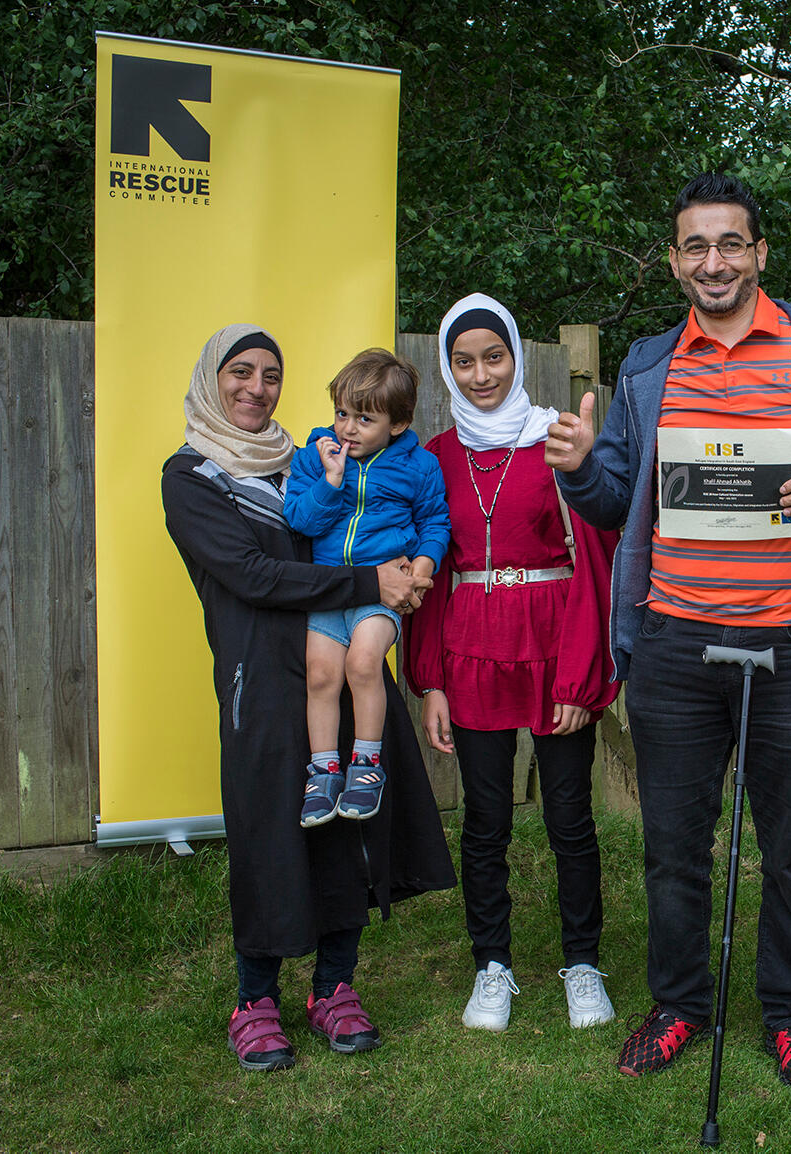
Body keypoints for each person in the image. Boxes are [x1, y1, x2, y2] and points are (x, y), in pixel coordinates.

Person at [545, 174, 791, 1089]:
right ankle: (678, 1008)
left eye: (730, 244)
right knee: (673, 844)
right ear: (674, 261)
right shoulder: (645, 367)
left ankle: (790, 1017)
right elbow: (611, 504)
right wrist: (584, 467)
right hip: (671, 643)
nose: (714, 262)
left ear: (759, 253)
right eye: (695, 247)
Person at [162, 323, 456, 1073]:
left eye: (270, 375)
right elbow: (254, 576)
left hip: (347, 668)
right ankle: (254, 999)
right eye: (240, 373)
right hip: (260, 680)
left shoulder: (316, 457)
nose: (256, 388)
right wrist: (374, 582)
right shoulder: (191, 477)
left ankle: (333, 987)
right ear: (211, 380)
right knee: (267, 833)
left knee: (345, 830)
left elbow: (388, 537)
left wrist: (406, 577)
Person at [403, 293, 621, 1033]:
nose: (480, 374)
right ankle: (491, 966)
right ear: (446, 367)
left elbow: (595, 566)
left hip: (553, 646)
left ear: (516, 358)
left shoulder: (557, 443)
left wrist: (580, 678)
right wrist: (428, 679)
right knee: (486, 820)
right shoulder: (433, 457)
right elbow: (429, 575)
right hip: (471, 651)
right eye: (463, 362)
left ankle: (582, 965)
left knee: (569, 818)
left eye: (492, 357)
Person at [284, 350, 450, 828]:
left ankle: (367, 764)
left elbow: (435, 522)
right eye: (342, 413)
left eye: (364, 419)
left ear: (397, 424)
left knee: (362, 663)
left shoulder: (417, 467)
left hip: (380, 595)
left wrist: (421, 565)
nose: (348, 429)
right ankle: (323, 771)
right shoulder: (317, 457)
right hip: (331, 593)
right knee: (319, 674)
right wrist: (331, 483)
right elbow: (300, 519)